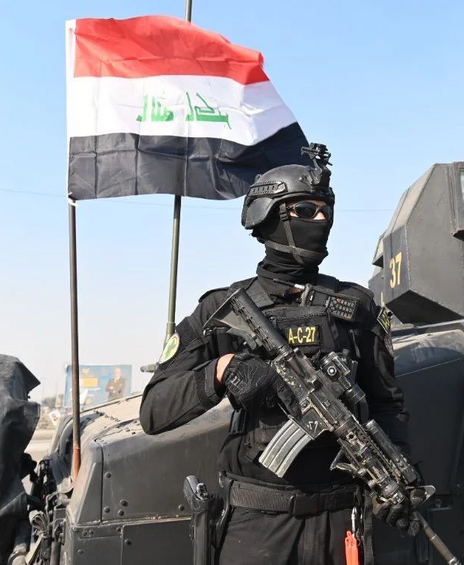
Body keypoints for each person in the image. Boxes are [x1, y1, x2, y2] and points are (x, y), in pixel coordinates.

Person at [139, 144, 416, 564]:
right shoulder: (221, 309)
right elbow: (154, 411)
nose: (320, 220)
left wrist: (397, 478)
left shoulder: (357, 306)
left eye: (326, 210)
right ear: (268, 215)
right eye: (305, 210)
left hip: (340, 522)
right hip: (258, 525)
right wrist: (221, 371)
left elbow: (387, 405)